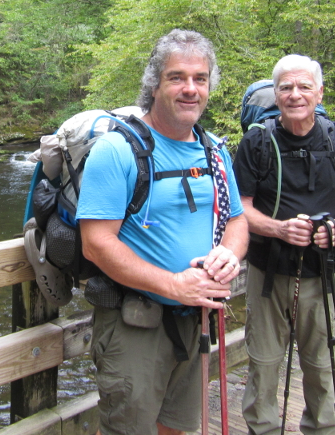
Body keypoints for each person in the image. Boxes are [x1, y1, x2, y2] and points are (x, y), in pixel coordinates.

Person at [76, 29, 249, 435]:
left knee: (177, 429)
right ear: (154, 84)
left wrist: (230, 253)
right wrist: (173, 284)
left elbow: (237, 220)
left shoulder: (215, 151)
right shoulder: (118, 151)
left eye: (200, 78)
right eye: (177, 77)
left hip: (195, 320)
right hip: (135, 325)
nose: (190, 89)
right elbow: (96, 244)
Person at [233, 54, 335, 435]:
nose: (295, 95)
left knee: (323, 362)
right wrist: (279, 229)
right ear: (276, 95)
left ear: (319, 92)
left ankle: (322, 428)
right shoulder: (256, 142)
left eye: (304, 86)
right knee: (263, 363)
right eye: (286, 88)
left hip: (323, 272)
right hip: (268, 272)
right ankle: (262, 429)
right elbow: (239, 209)